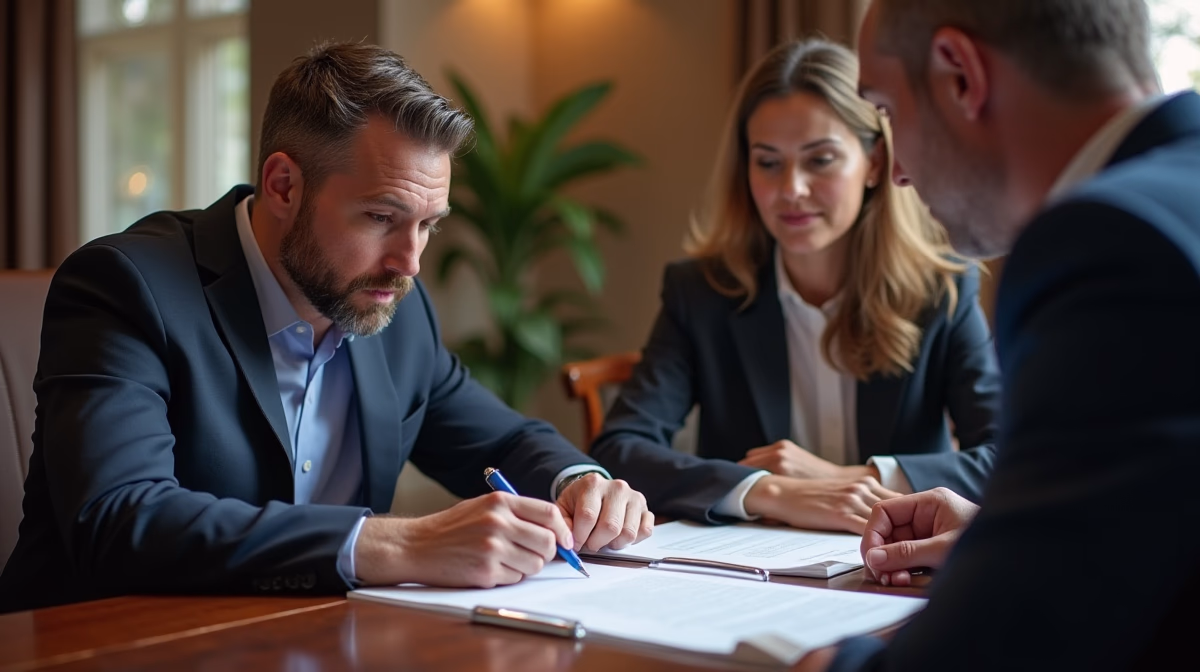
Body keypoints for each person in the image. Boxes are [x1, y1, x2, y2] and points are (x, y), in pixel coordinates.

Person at [0, 42, 653, 614]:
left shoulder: (394, 307)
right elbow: (119, 519)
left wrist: (580, 483)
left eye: (429, 224)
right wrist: (395, 541)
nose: (410, 263)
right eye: (380, 217)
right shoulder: (125, 285)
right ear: (283, 185)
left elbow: (504, 439)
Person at [801, 0, 1200, 669]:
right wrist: (1010, 538)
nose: (895, 172)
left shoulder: (1112, 243)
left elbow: (1011, 646)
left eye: (890, 112)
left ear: (960, 76)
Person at [591, 39, 1001, 534]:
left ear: (874, 163)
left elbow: (1011, 453)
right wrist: (770, 491)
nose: (791, 189)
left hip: (898, 564)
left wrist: (860, 477)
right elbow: (621, 448)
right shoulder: (701, 292)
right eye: (768, 162)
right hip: (749, 570)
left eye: (820, 159)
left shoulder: (943, 289)